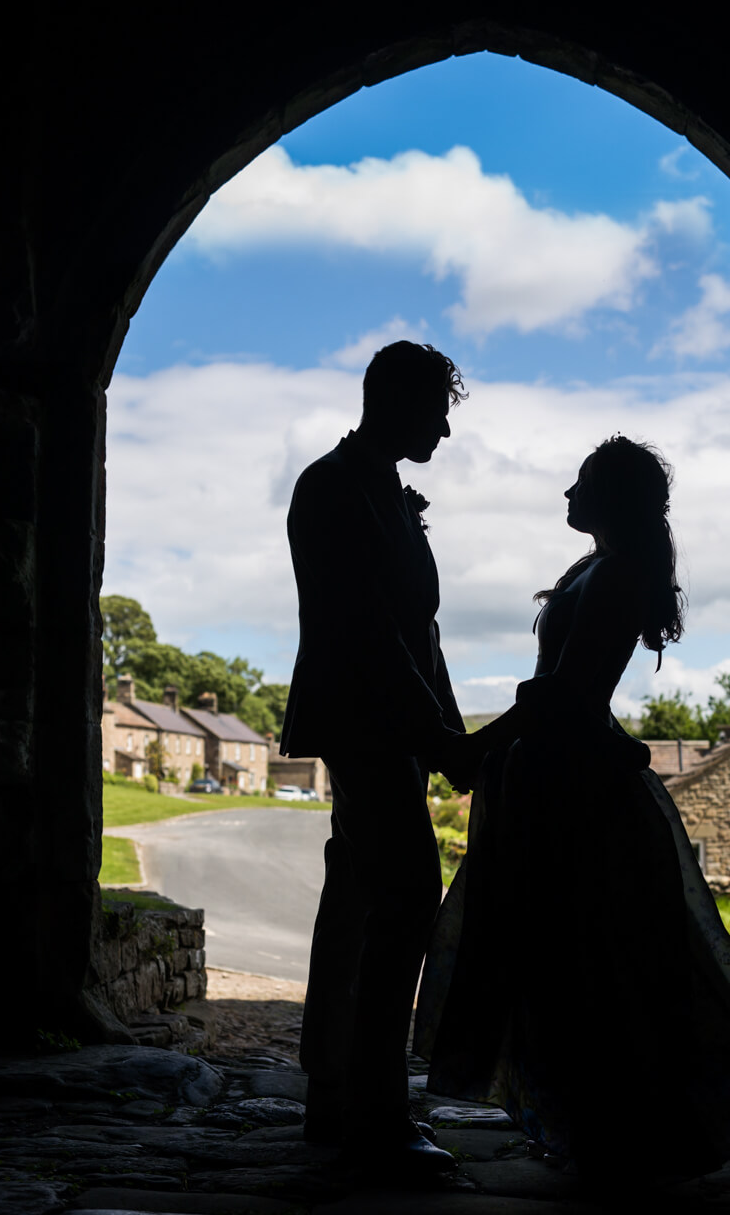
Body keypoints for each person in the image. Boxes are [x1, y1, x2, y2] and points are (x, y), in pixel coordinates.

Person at [413, 435, 730, 1184]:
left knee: (591, 959)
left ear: (612, 495)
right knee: (569, 959)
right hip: (560, 775)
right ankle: (592, 1126)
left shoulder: (616, 575)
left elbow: (567, 693)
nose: (566, 494)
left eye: (581, 481)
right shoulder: (597, 568)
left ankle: (615, 1131)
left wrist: (473, 748)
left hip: (578, 790)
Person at [280, 340, 476, 1174]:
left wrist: (450, 730)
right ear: (392, 398)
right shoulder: (333, 488)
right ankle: (376, 1112)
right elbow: (364, 629)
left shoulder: (387, 492)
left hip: (394, 724)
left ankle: (334, 1092)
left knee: (358, 901)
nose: (443, 427)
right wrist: (435, 734)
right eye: (436, 409)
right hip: (364, 722)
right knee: (404, 901)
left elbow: (420, 632)